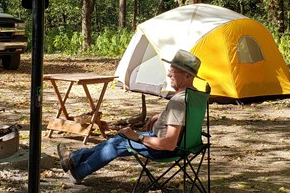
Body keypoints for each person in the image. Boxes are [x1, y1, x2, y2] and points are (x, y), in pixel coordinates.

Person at [57, 49, 202, 184]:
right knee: (119, 137)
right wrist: (161, 116)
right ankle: (74, 158)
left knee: (119, 142)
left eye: (173, 71)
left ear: (187, 75)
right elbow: (181, 119)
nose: (169, 75)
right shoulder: (195, 96)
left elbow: (169, 144)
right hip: (183, 145)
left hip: (162, 149)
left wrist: (137, 137)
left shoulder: (178, 102)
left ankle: (78, 171)